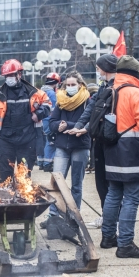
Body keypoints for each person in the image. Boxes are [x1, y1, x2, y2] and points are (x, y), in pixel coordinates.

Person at [98, 56, 139, 258]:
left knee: (113, 194)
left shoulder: (110, 91)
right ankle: (125, 244)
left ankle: (108, 237)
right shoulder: (137, 93)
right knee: (132, 199)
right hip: (133, 152)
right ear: (136, 73)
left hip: (112, 150)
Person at [67, 54, 118, 229]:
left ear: (105, 68)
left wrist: (86, 128)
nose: (97, 71)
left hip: (112, 142)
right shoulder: (104, 87)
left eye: (98, 68)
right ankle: (107, 217)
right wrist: (81, 124)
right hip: (100, 141)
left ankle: (112, 220)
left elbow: (102, 116)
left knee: (111, 185)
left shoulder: (116, 88)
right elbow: (91, 109)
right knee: (101, 183)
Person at [40, 71, 91, 228]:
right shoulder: (61, 101)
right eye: (67, 85)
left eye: (73, 85)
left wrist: (67, 125)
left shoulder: (87, 101)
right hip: (62, 146)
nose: (70, 87)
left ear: (80, 85)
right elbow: (52, 122)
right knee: (56, 183)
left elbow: (88, 121)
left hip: (80, 146)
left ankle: (74, 217)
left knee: (76, 184)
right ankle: (53, 216)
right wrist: (59, 126)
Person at [0, 59, 51, 182]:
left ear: (19, 74)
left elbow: (48, 104)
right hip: (6, 141)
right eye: (7, 76)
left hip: (27, 141)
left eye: (11, 75)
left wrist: (38, 114)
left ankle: (23, 199)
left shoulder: (33, 93)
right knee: (5, 176)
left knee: (24, 177)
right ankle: (5, 199)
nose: (9, 78)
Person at [40, 72, 60, 172]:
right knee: (51, 141)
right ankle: (47, 164)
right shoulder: (52, 93)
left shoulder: (40, 91)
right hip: (48, 120)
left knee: (42, 141)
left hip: (41, 120)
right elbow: (54, 109)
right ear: (56, 83)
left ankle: (40, 162)